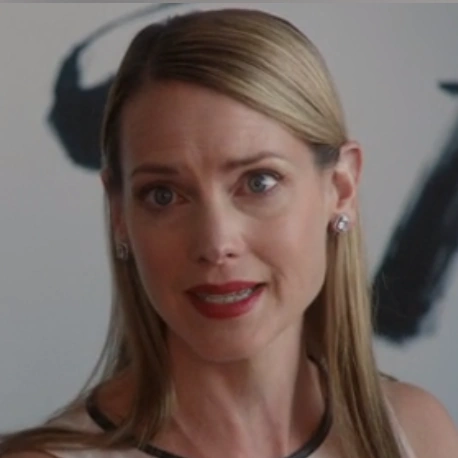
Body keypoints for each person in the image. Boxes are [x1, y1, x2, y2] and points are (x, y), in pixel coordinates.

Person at [1, 8, 458, 458]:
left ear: (341, 188)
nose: (216, 243)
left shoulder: (417, 433)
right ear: (119, 212)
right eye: (163, 195)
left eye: (259, 182)